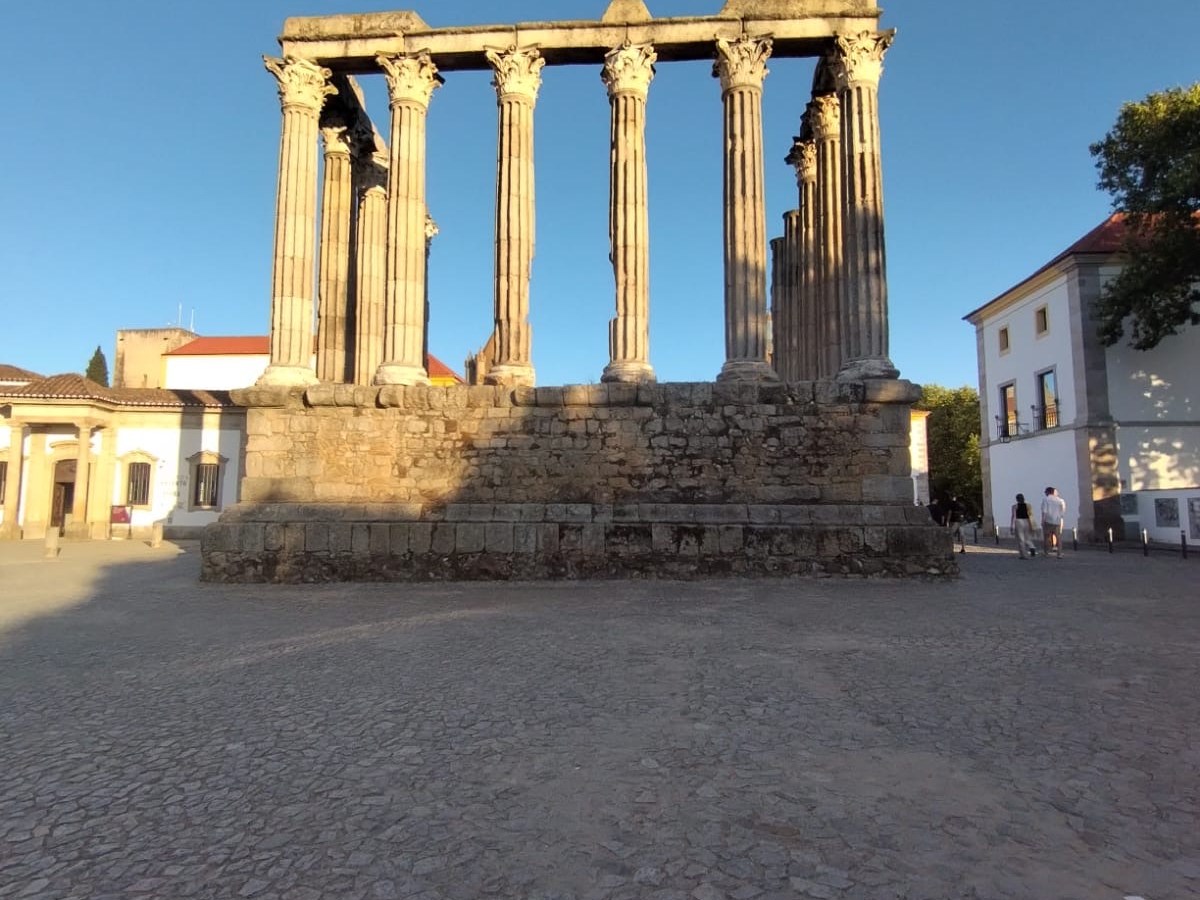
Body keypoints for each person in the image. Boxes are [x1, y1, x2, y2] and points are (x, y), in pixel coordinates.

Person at [1041, 486, 1067, 559]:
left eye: (1045, 492)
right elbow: (1062, 512)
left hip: (1048, 520)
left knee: (1046, 537)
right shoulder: (1060, 500)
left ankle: (1046, 552)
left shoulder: (1046, 499)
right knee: (1058, 537)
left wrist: (1042, 520)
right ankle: (1059, 553)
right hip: (1057, 521)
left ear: (1048, 492)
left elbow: (1044, 511)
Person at [1010, 492, 1036, 559]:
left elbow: (1014, 516)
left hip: (1019, 521)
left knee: (1021, 539)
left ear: (1017, 499)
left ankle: (1023, 554)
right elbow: (1031, 515)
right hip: (1027, 521)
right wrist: (1032, 524)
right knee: (1027, 537)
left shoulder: (1015, 506)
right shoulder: (1028, 505)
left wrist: (1012, 525)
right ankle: (1032, 546)